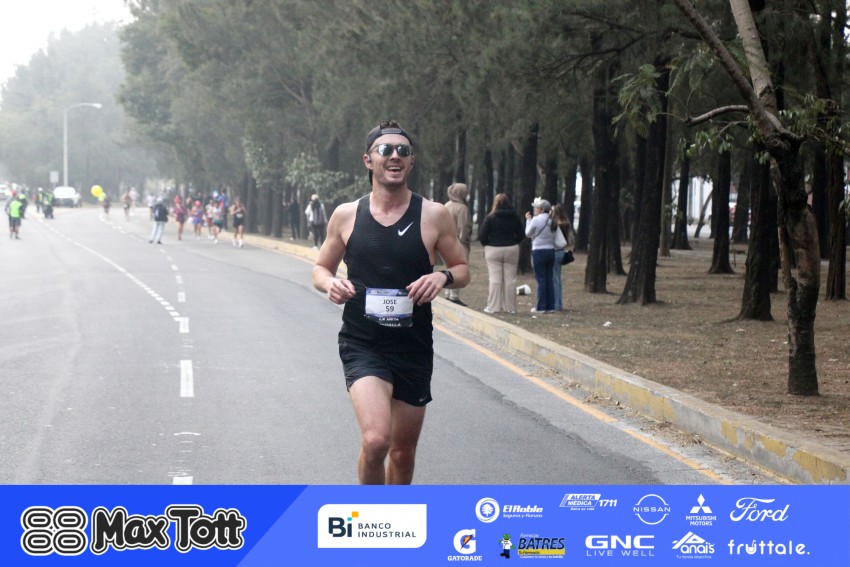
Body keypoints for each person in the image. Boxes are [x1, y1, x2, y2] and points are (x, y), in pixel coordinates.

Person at [312, 120, 469, 484]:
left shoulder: (434, 215)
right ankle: (371, 513)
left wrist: (442, 277)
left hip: (413, 346)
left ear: (411, 162)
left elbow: (462, 269)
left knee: (402, 452)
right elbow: (320, 268)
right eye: (385, 149)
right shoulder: (347, 215)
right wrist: (330, 283)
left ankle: (394, 512)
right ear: (369, 160)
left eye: (403, 151)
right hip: (363, 342)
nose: (395, 155)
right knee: (376, 440)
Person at [478, 193, 525, 314]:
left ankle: (493, 307)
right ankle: (511, 308)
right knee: (510, 280)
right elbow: (521, 234)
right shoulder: (514, 217)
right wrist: (514, 241)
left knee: (495, 279)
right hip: (511, 248)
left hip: (494, 249)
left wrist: (488, 244)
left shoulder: (491, 217)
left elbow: (482, 236)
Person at [525, 197, 556, 313]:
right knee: (549, 278)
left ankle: (541, 306)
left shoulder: (536, 220)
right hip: (551, 250)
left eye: (537, 208)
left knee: (541, 279)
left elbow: (528, 233)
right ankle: (551, 306)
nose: (535, 210)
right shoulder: (552, 220)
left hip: (539, 250)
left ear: (542, 209)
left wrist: (528, 220)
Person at [443, 182, 472, 306]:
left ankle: (447, 293)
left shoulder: (446, 205)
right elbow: (464, 227)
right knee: (459, 268)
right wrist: (465, 240)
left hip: (445, 243)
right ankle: (454, 296)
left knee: (449, 267)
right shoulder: (462, 208)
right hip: (459, 243)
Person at [550, 204, 576, 311]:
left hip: (555, 251)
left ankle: (556, 304)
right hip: (562, 251)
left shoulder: (556, 225)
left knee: (554, 278)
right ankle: (559, 302)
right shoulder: (566, 223)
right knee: (558, 278)